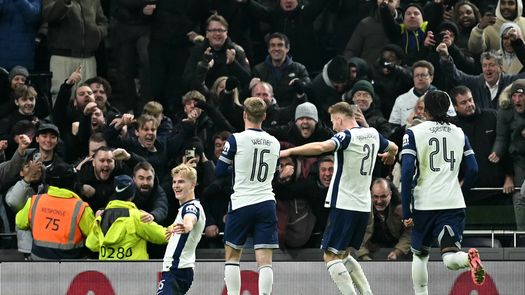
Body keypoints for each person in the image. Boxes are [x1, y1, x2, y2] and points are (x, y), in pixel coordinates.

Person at [280, 101, 398, 295]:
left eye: (334, 122)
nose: (333, 127)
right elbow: (393, 146)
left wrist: (291, 151)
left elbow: (320, 147)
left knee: (330, 257)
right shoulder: (373, 134)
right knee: (344, 255)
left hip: (345, 203)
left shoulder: (347, 136)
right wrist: (390, 155)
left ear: (340, 119)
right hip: (362, 206)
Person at [400, 90, 484, 294]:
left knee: (419, 255)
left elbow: (407, 170)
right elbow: (473, 169)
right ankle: (467, 259)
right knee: (450, 257)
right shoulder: (459, 133)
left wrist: (406, 211)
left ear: (425, 109)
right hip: (452, 203)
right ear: (448, 108)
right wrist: (460, 192)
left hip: (424, 204)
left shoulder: (414, 132)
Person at [215, 96, 280, 295]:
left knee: (233, 256)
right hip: (266, 202)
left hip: (242, 202)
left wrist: (235, 167)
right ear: (265, 116)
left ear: (244, 114)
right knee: (265, 260)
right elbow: (274, 173)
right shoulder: (274, 142)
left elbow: (219, 171)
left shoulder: (236, 139)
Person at [15, 163, 95, 260]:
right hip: (71, 264)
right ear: (74, 182)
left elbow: (20, 223)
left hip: (38, 260)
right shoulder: (81, 207)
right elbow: (93, 237)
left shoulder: (34, 201)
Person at [86, 175, 167, 260]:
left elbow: (92, 245)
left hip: (107, 271)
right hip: (134, 271)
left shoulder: (101, 216)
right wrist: (176, 227)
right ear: (133, 194)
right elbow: (163, 236)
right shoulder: (137, 216)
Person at [43, 0, 108, 102]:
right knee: (61, 98)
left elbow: (102, 21)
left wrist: (97, 33)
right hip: (62, 56)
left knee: (90, 99)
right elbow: (48, 15)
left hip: (88, 57)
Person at [157, 164, 206, 294]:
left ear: (192, 184)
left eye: (181, 182)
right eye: (174, 182)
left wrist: (187, 226)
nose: (176, 186)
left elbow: (190, 219)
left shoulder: (190, 207)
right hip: (177, 270)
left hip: (177, 270)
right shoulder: (186, 207)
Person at [356, 178, 411, 261]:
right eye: (375, 197)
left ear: (390, 195)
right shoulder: (363, 209)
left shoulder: (402, 209)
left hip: (398, 250)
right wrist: (364, 257)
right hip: (371, 250)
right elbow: (357, 235)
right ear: (370, 194)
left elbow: (410, 232)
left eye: (383, 196)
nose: (379, 201)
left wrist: (398, 252)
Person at [252, 32, 310, 107]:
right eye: (273, 45)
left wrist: (300, 85)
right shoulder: (258, 70)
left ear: (287, 48)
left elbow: (309, 88)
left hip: (292, 113)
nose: (276, 49)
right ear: (268, 49)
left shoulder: (299, 69)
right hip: (266, 113)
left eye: (280, 45)